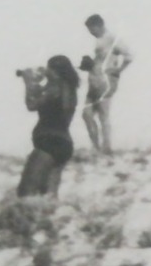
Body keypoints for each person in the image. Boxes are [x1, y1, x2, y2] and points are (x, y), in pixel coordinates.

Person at [17, 56, 80, 198]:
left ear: (55, 71)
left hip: (49, 143)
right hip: (64, 143)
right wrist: (37, 84)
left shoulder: (55, 88)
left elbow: (31, 105)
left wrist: (27, 82)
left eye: (48, 68)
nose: (45, 71)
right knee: (49, 195)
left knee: (26, 191)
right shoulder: (68, 88)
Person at [81, 14, 133, 155]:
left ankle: (106, 147)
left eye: (91, 29)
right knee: (86, 114)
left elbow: (129, 56)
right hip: (94, 80)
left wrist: (117, 70)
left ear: (98, 25)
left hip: (106, 82)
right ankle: (96, 147)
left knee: (103, 115)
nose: (90, 32)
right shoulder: (100, 40)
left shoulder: (112, 39)